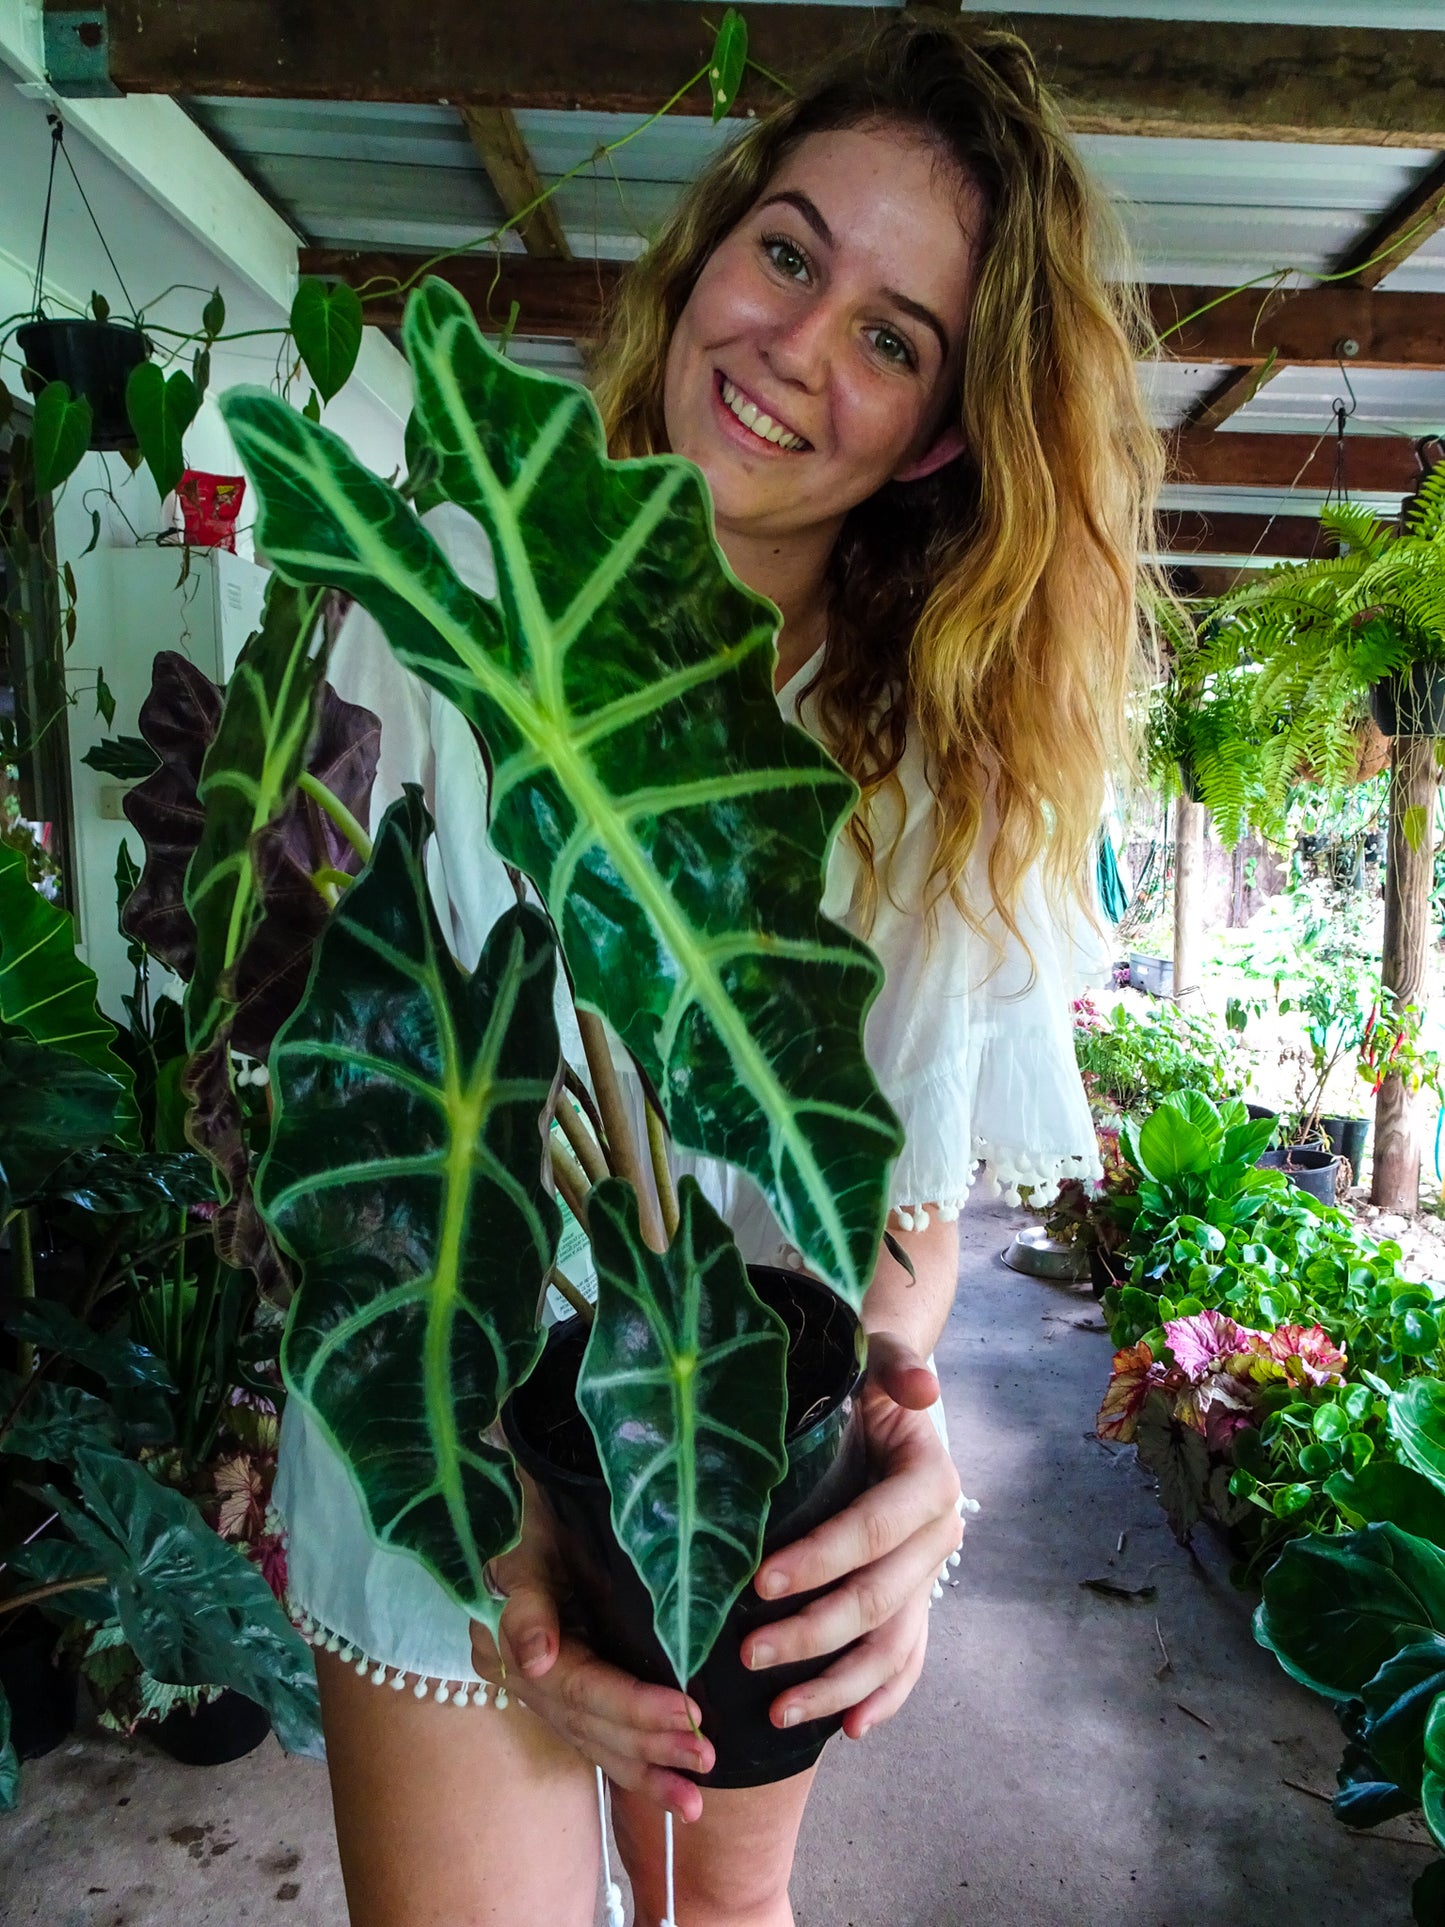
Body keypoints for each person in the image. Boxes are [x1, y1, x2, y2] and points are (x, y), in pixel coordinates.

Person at [274, 15, 1161, 1925]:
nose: (791, 347)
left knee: (722, 1910)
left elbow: (893, 1210)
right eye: (787, 252)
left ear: (936, 431)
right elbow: (339, 1093)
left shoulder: (941, 768)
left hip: (718, 1443)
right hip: (440, 1425)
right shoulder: (443, 593)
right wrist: (493, 1490)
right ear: (707, 253)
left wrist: (911, 1474)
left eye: (890, 335)